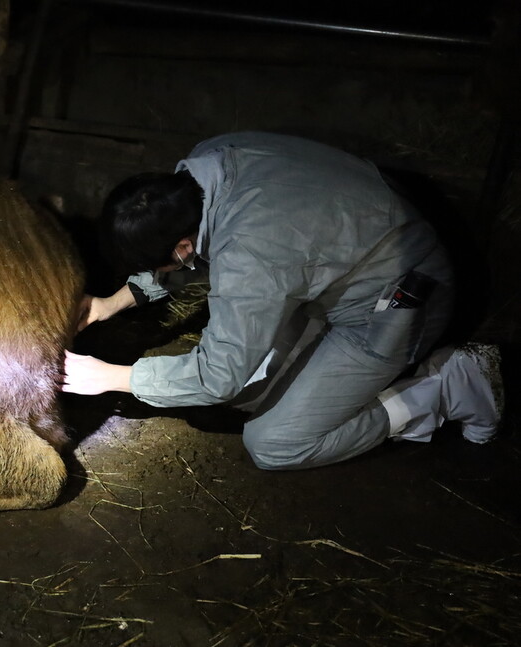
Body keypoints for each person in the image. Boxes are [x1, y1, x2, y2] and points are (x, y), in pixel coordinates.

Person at [62, 131, 503, 470]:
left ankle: (445, 386)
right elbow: (200, 255)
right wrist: (108, 304)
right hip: (344, 265)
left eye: (166, 264)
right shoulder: (207, 167)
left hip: (395, 302)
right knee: (251, 394)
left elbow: (217, 377)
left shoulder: (250, 250)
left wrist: (112, 376)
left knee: (274, 442)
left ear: (181, 248)